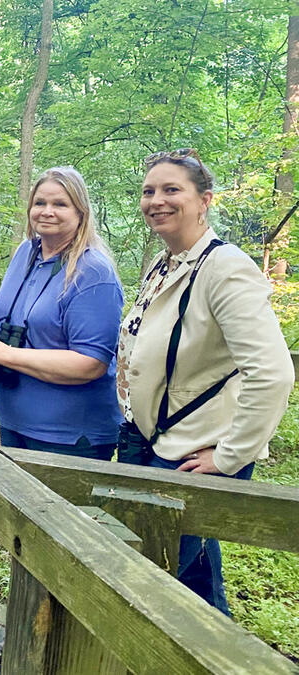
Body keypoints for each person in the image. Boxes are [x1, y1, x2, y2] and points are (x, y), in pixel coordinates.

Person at [116, 148, 294, 614]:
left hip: (191, 453)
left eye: (171, 189)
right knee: (193, 578)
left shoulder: (225, 267)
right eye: (149, 191)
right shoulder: (166, 264)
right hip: (152, 441)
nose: (156, 200)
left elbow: (272, 373)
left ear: (205, 200)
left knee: (152, 581)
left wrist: (230, 456)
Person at [0, 166, 124, 670]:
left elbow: (90, 362)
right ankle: (27, 638)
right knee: (28, 537)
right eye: (40, 203)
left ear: (81, 211)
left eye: (60, 204)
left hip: (69, 433)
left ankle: (62, 653)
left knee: (66, 546)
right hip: (19, 421)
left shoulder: (93, 272)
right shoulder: (26, 254)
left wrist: (6, 355)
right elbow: (8, 320)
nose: (47, 212)